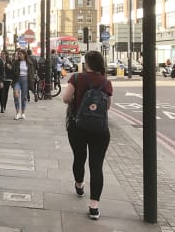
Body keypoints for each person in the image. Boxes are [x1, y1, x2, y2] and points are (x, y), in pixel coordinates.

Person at [62, 50, 113, 220]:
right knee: (96, 166)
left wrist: (79, 100)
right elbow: (107, 107)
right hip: (100, 129)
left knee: (79, 157)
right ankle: (94, 207)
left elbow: (66, 98)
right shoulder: (106, 82)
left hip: (78, 127)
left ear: (87, 63)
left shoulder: (77, 78)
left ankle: (79, 184)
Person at [12, 49, 35, 120]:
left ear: (24, 55)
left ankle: (23, 113)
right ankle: (17, 112)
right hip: (17, 80)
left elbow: (31, 73)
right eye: (18, 54)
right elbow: (13, 71)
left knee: (24, 97)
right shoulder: (16, 62)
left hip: (25, 80)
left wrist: (31, 82)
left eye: (20, 54)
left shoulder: (29, 63)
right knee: (16, 95)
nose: (19, 55)